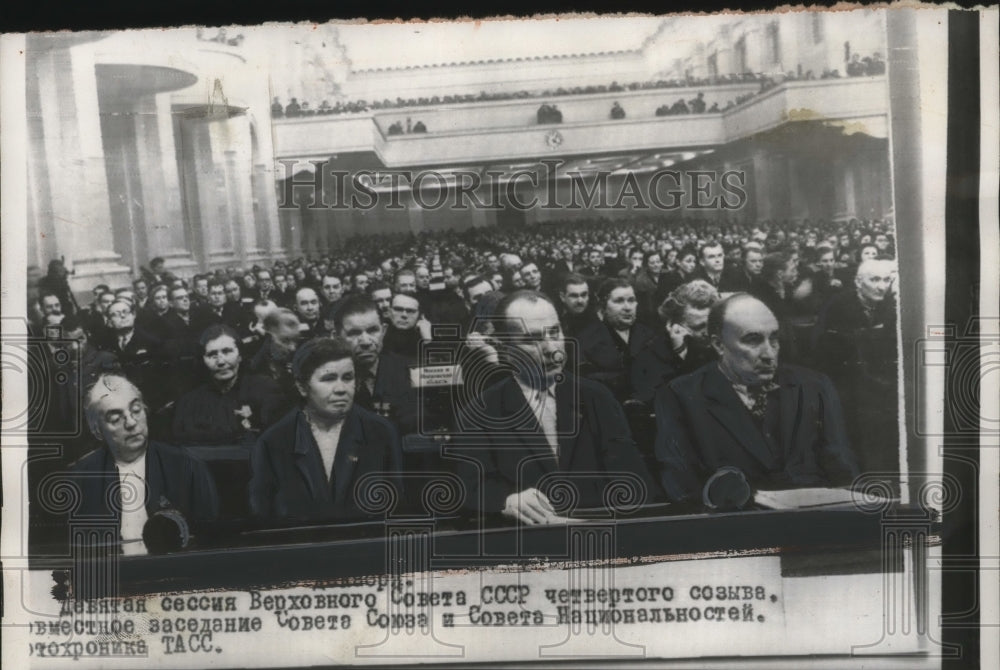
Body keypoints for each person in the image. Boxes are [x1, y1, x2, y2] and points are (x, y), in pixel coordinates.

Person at [452, 290, 658, 524]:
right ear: (503, 348)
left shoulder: (596, 397)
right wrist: (506, 501)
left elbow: (634, 480)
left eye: (555, 332)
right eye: (533, 339)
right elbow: (471, 489)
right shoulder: (480, 412)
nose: (552, 348)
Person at [653, 294, 858, 504]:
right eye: (753, 340)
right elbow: (680, 484)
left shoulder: (814, 387)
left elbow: (843, 471)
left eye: (774, 338)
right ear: (718, 344)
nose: (769, 354)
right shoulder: (681, 395)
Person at [249, 337, 403, 523]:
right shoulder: (273, 442)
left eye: (348, 378)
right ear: (302, 387)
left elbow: (395, 509)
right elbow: (263, 517)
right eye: (328, 379)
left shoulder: (381, 432)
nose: (341, 389)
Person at [68, 374, 219, 555]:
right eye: (116, 419)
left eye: (136, 410)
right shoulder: (80, 478)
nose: (131, 423)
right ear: (96, 430)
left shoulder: (188, 467)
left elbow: (210, 543)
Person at [812, 259, 899, 477]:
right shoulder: (838, 305)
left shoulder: (891, 306)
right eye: (875, 280)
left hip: (880, 380)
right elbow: (824, 350)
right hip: (844, 381)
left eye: (887, 280)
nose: (882, 286)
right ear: (858, 282)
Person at [171, 325, 289, 445]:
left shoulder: (265, 389)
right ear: (202, 360)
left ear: (240, 355)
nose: (221, 361)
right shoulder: (189, 401)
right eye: (212, 354)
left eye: (227, 351)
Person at [333, 295, 419, 435]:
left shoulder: (410, 371)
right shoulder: (329, 381)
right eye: (354, 333)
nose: (366, 342)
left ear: (384, 331)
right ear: (336, 337)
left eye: (373, 330)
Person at [631, 280, 719, 406]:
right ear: (671, 325)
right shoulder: (650, 356)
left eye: (711, 326)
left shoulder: (717, 347)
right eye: (697, 327)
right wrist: (681, 355)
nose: (707, 333)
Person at [576, 279, 656, 402]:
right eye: (619, 301)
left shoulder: (649, 334)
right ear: (603, 307)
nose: (627, 307)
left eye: (631, 300)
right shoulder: (587, 340)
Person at [557, 273, 599, 339]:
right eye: (574, 296)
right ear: (562, 297)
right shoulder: (554, 317)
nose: (580, 301)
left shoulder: (596, 321)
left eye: (584, 295)